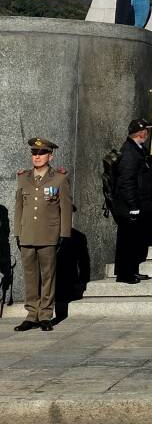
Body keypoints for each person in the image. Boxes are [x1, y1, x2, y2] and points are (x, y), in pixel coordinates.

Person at [13, 137, 72, 332]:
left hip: (48, 234)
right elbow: (19, 208)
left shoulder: (59, 178)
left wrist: (64, 234)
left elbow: (64, 207)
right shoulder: (23, 178)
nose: (37, 157)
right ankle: (32, 314)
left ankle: (46, 314)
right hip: (28, 234)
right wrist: (18, 232)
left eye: (41, 153)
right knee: (30, 276)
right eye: (34, 153)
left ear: (50, 155)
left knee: (48, 275)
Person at [112, 119, 152, 284]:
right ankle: (125, 274)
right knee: (127, 241)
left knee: (135, 241)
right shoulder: (129, 152)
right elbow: (127, 181)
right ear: (141, 132)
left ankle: (132, 270)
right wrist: (133, 206)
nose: (147, 133)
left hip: (140, 204)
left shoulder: (138, 149)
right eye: (146, 130)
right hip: (130, 206)